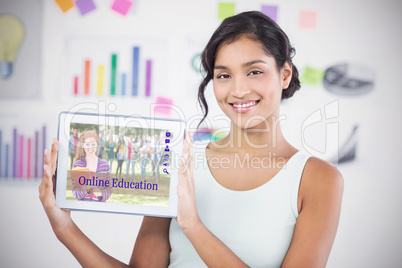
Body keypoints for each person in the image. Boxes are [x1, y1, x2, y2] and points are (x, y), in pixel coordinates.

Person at [39, 11, 343, 267]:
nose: (237, 90)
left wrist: (193, 226)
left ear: (285, 74)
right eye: (223, 75)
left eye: (254, 72)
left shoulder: (318, 179)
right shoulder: (178, 161)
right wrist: (64, 226)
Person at [71, 130, 111, 202]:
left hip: (99, 209)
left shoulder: (105, 165)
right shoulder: (78, 165)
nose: (90, 148)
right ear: (83, 145)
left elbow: (109, 189)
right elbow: (75, 192)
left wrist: (101, 193)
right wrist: (86, 188)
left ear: (97, 144)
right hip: (82, 209)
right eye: (87, 144)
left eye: (93, 144)